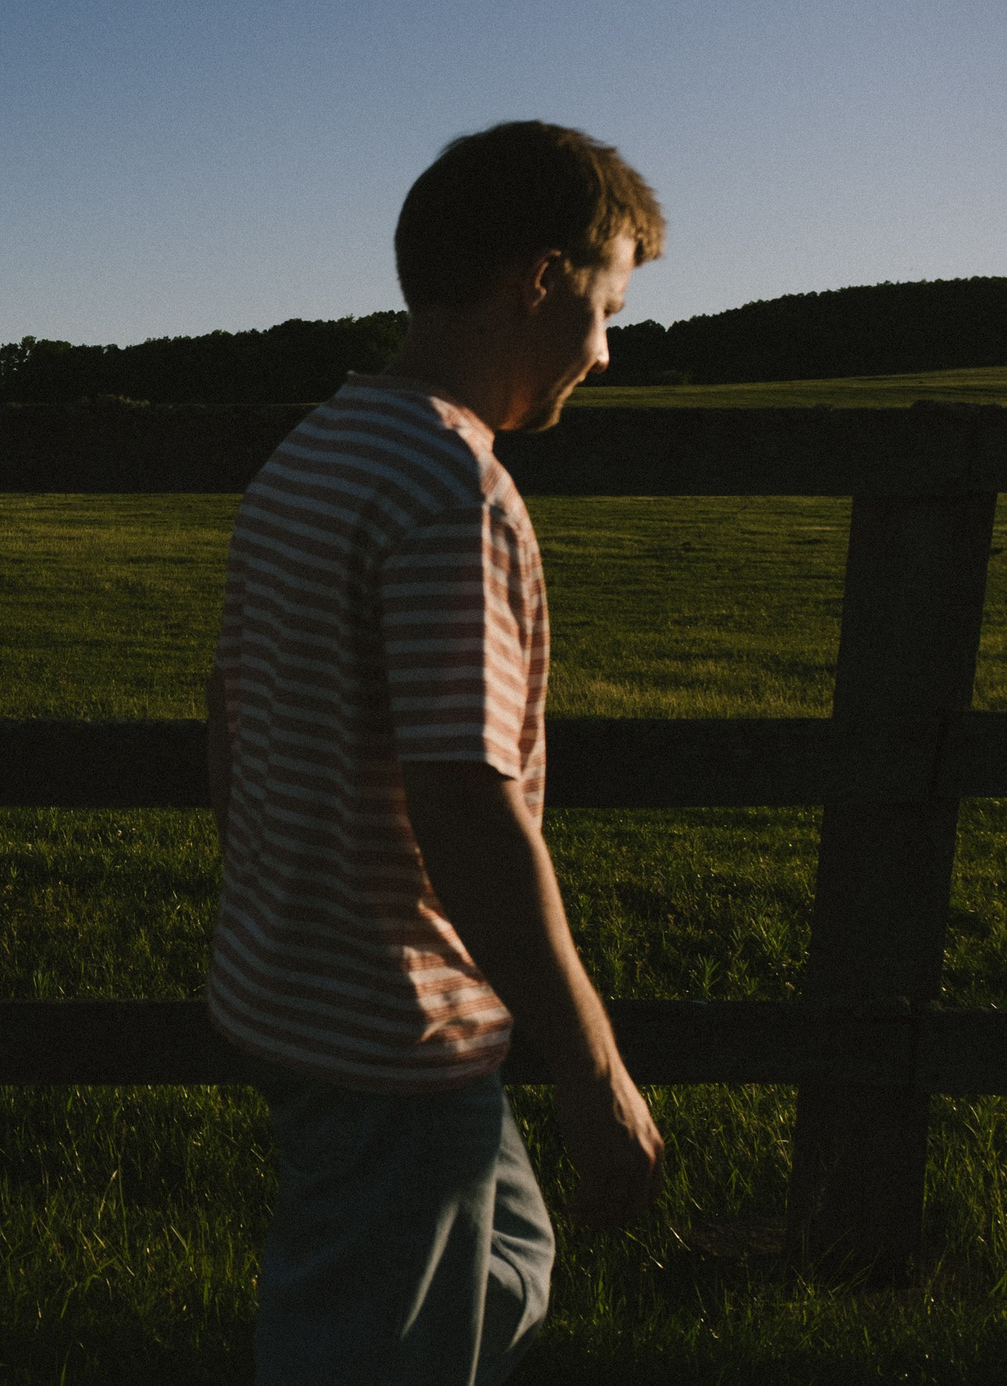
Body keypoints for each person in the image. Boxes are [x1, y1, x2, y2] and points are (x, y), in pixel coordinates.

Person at [206, 122, 670, 1384]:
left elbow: (228, 706)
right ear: (540, 278)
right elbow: (466, 805)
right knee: (367, 1344)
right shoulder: (449, 490)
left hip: (285, 982)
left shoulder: (315, 449)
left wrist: (270, 899)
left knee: (508, 1256)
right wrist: (594, 1072)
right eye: (605, 307)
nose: (605, 350)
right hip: (388, 1027)